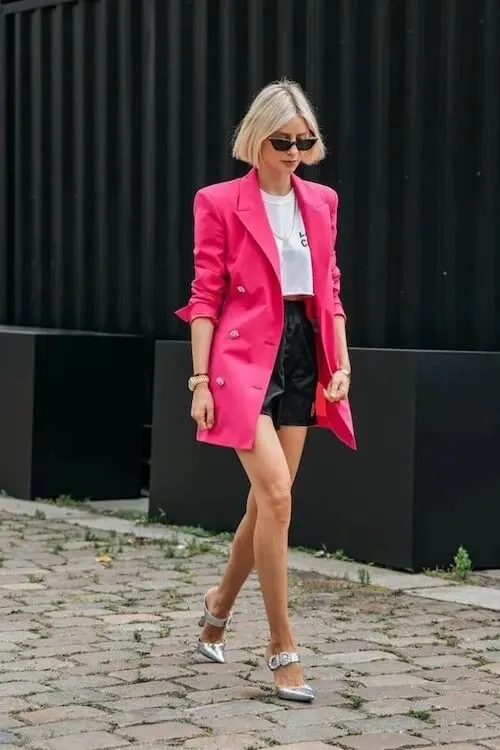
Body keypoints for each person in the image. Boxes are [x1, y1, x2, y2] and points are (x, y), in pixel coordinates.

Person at [175, 79, 356, 703]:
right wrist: (199, 378)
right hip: (241, 356)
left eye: (305, 141)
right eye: (283, 140)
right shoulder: (219, 201)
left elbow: (329, 286)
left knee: (264, 505)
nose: (294, 151)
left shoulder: (322, 201)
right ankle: (283, 648)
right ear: (257, 138)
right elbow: (204, 296)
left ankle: (217, 609)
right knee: (277, 497)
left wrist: (343, 360)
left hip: (303, 353)